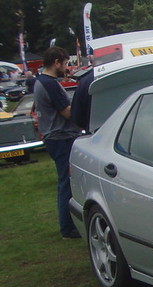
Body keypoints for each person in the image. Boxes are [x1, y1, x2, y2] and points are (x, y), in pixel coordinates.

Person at [34, 46, 83, 239]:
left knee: (65, 180)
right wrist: (82, 104)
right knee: (66, 182)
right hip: (61, 137)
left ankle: (68, 225)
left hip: (54, 137)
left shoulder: (41, 82)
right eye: (64, 64)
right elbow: (67, 112)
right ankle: (68, 228)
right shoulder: (51, 84)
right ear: (56, 62)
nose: (66, 68)